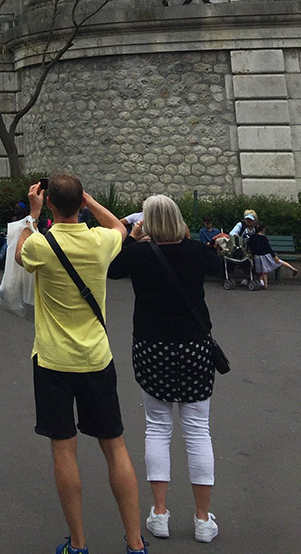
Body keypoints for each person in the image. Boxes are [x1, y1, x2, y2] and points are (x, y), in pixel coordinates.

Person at [15, 174, 146, 554]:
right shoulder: (100, 241)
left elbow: (21, 251)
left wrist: (33, 216)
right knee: (115, 446)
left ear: (51, 203)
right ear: (80, 202)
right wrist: (88, 201)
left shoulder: (42, 243)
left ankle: (79, 542)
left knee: (63, 448)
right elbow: (121, 228)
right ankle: (135, 542)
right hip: (96, 358)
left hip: (54, 359)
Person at [109, 196, 223, 544]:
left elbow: (113, 269)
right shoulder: (195, 252)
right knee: (197, 430)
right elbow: (218, 267)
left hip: (152, 345)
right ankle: (203, 519)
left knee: (157, 428)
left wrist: (133, 233)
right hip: (193, 347)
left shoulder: (140, 255)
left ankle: (160, 513)